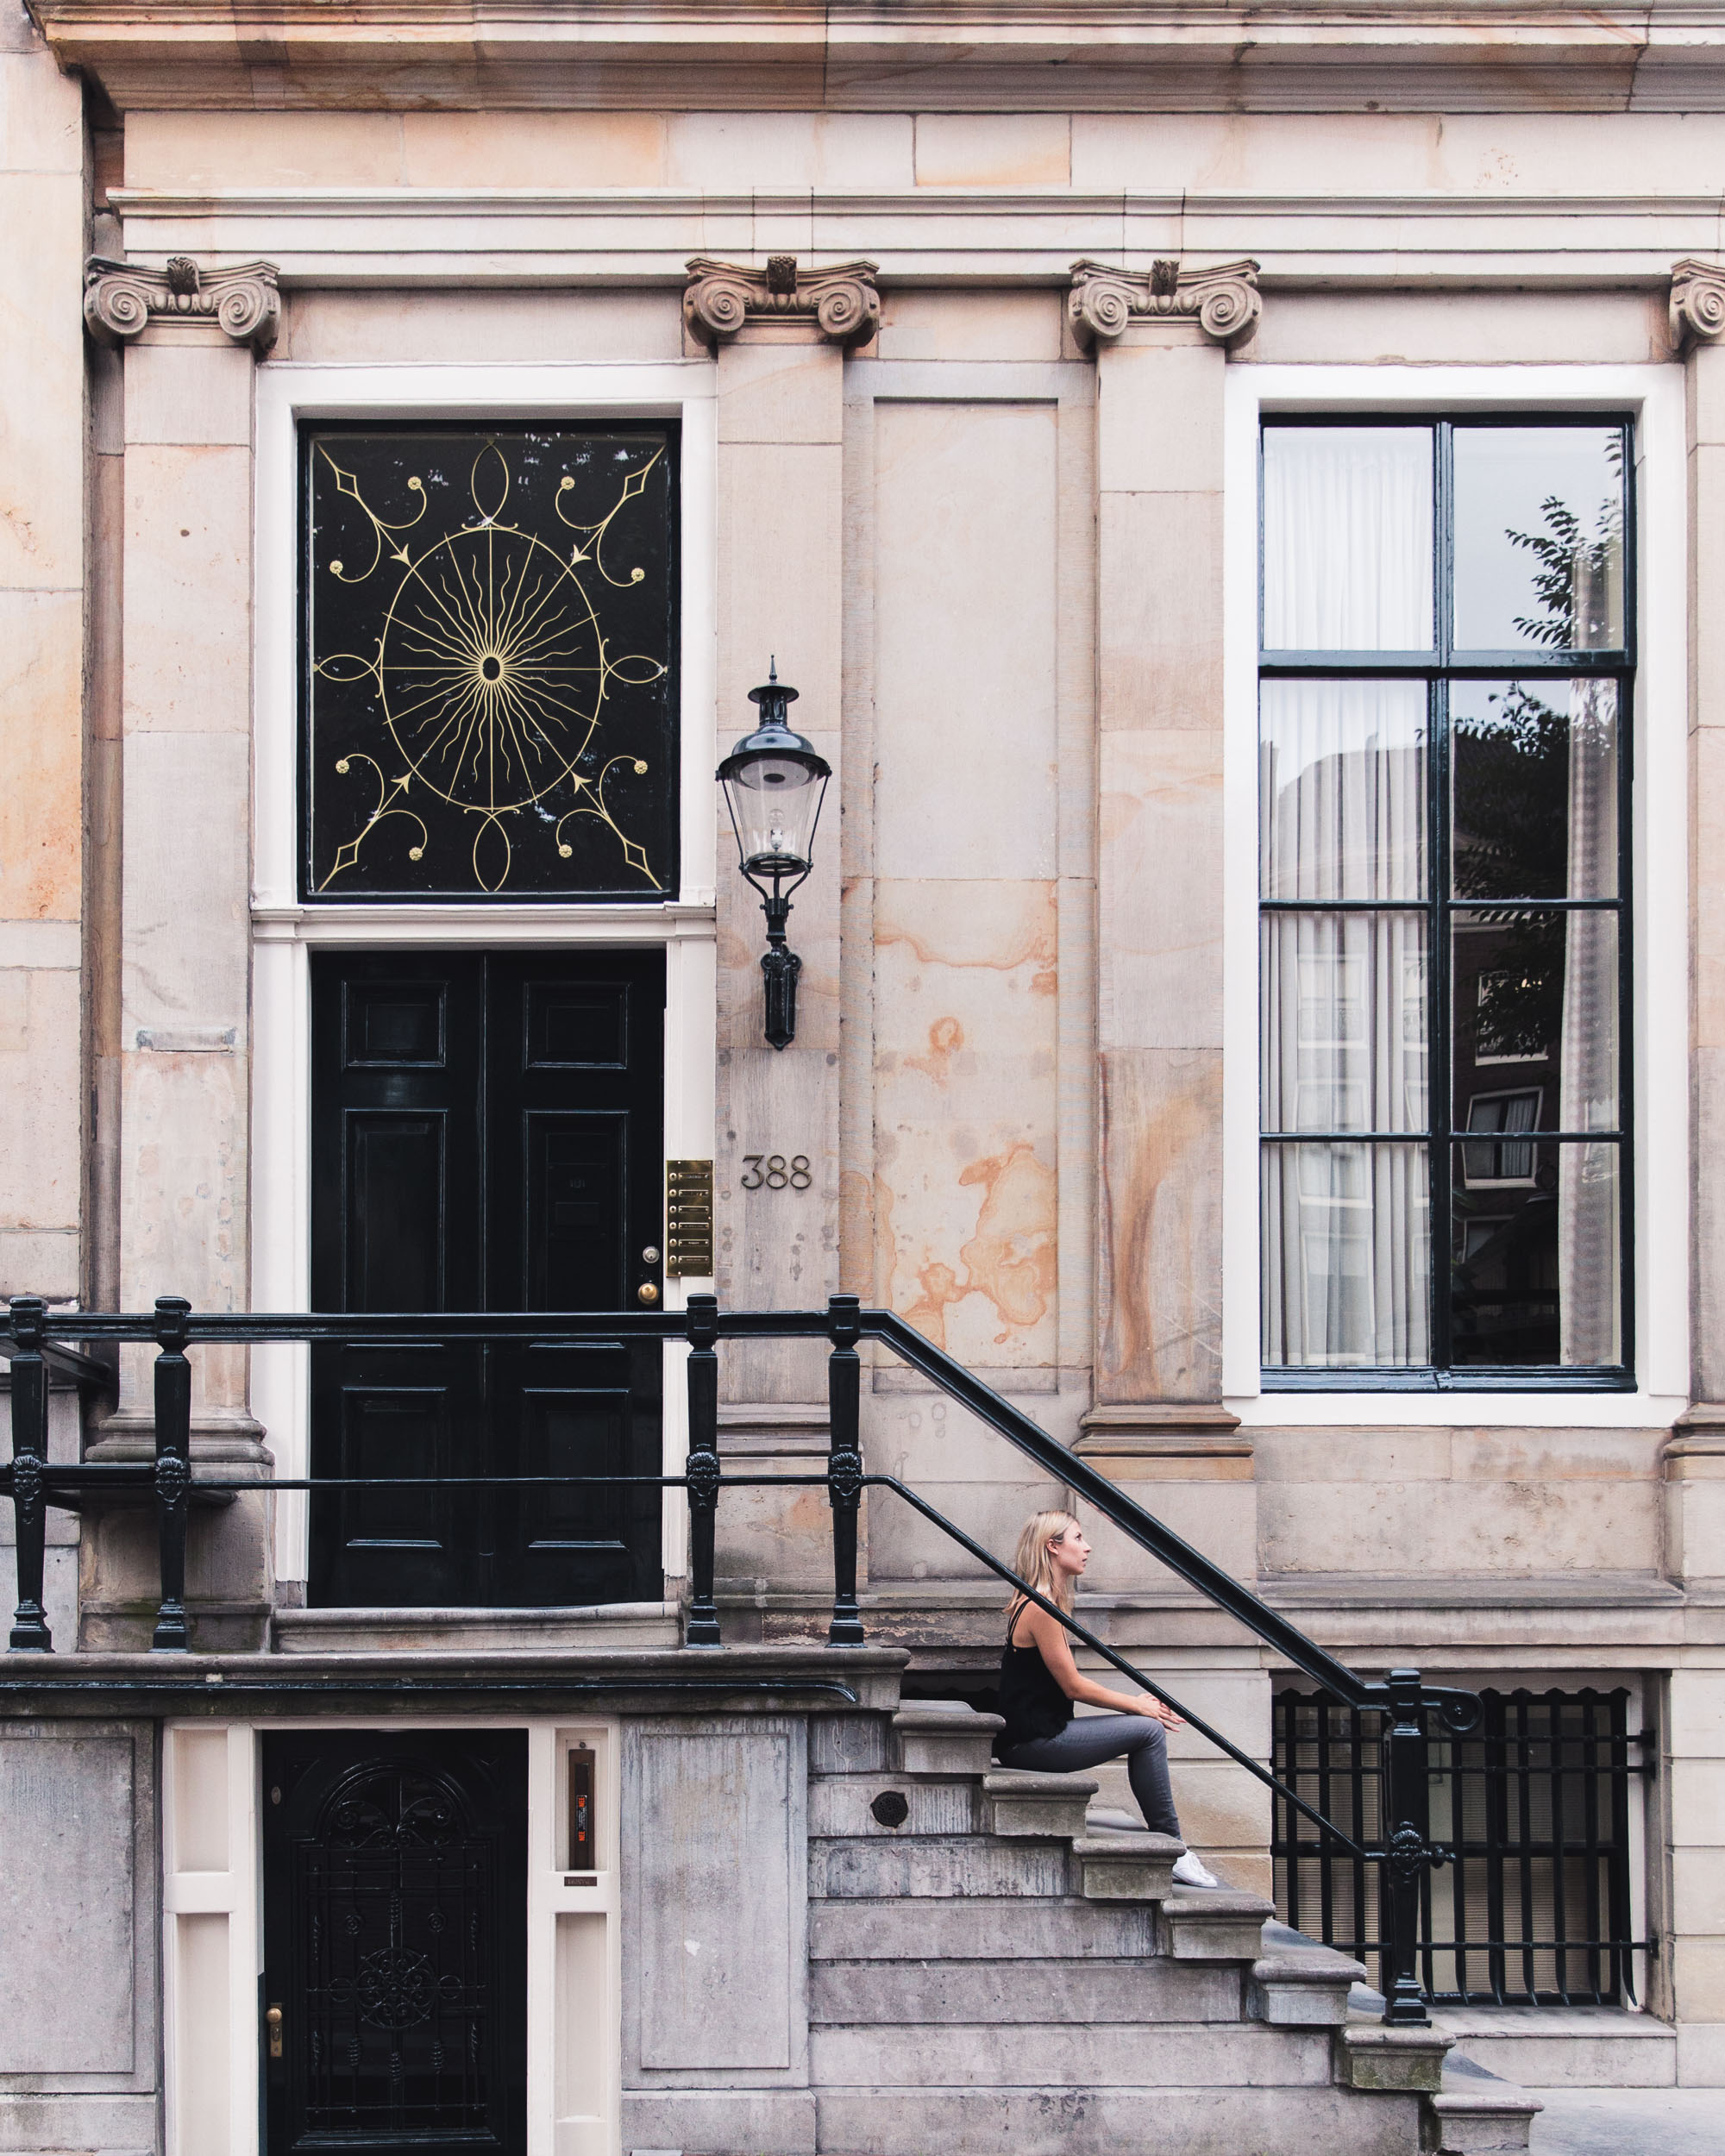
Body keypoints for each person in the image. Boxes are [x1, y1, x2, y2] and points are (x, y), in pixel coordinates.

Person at [995, 1507, 1220, 1890]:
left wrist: (1137, 1704)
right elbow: (1074, 1687)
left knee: (1145, 1727)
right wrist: (1137, 1705)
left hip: (1036, 1736)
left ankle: (1172, 1846)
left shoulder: (1038, 1602)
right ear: (1053, 1547)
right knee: (1148, 1730)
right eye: (1078, 1538)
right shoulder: (1040, 1607)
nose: (1088, 1547)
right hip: (1033, 1744)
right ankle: (1173, 1848)